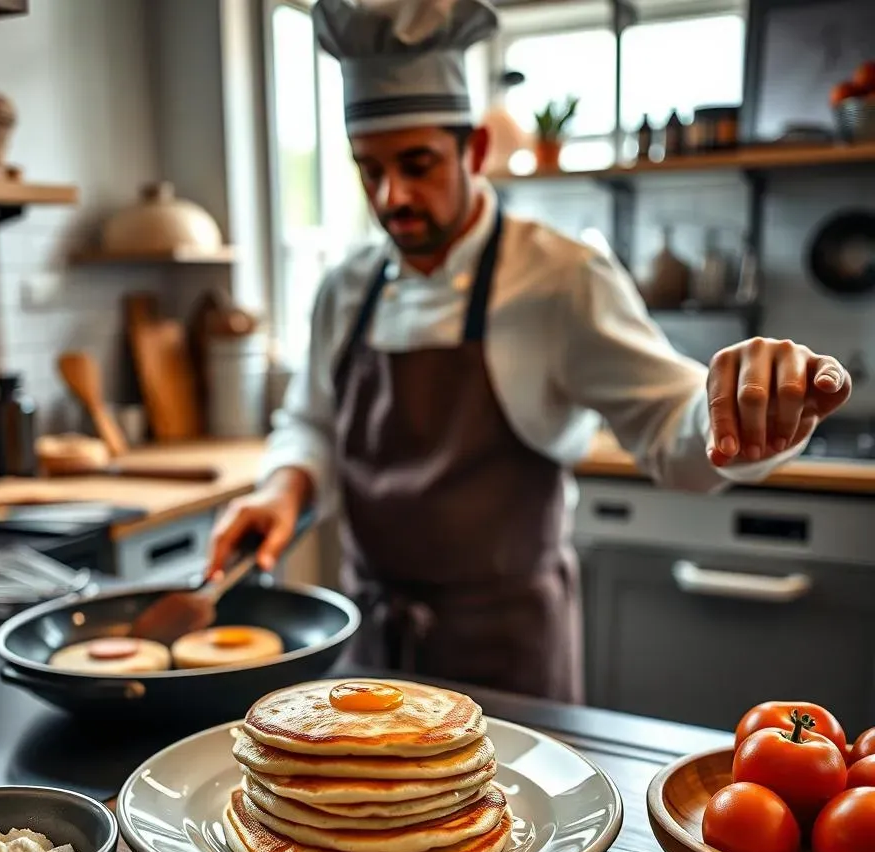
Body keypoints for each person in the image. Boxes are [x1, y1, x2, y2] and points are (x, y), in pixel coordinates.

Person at [208, 0, 851, 701]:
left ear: (475, 152)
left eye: (417, 164)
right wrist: (281, 487)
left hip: (505, 659)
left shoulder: (561, 278)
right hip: (375, 652)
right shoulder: (345, 287)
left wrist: (745, 416)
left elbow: (670, 424)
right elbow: (310, 422)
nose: (393, 196)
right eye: (371, 170)